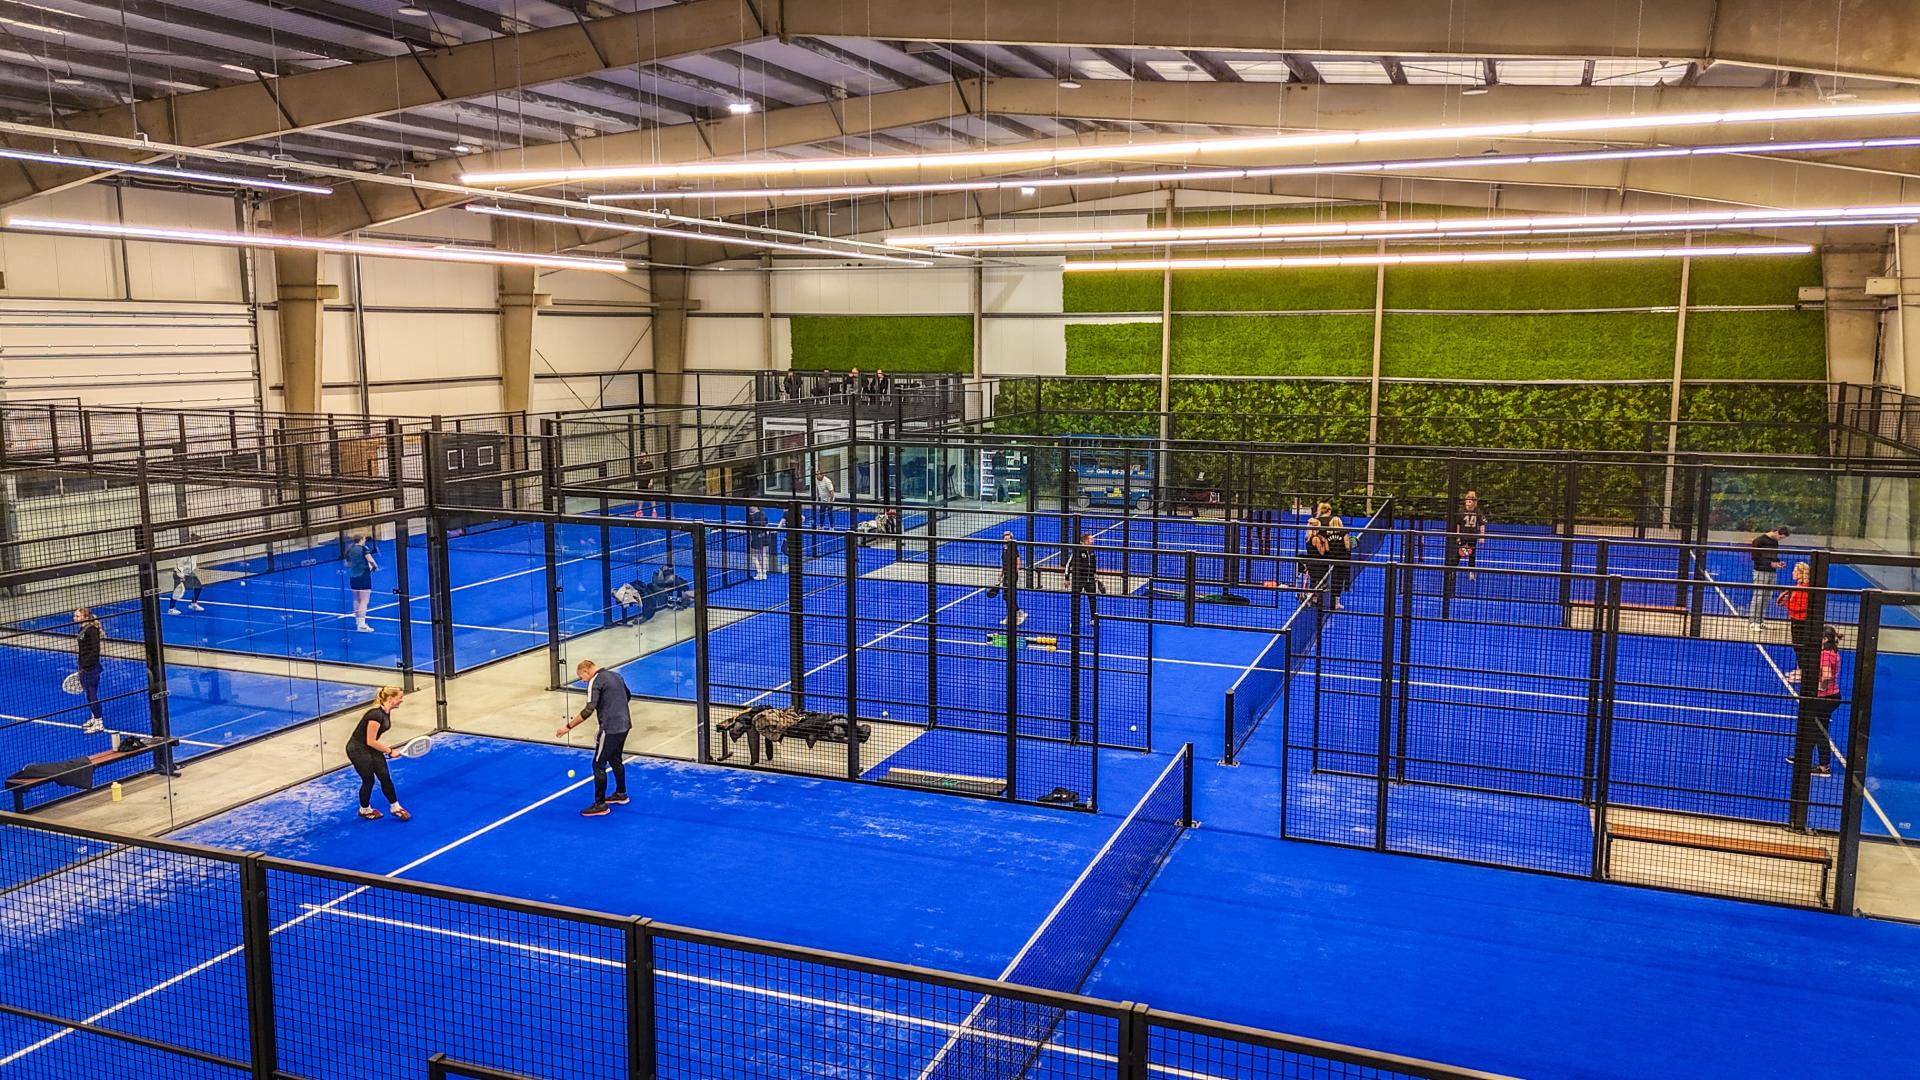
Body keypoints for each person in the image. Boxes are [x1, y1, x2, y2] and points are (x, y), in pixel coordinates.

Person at [557, 660, 632, 817]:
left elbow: (588, 709)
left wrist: (568, 727)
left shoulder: (595, 681)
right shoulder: (616, 676)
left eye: (581, 677)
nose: (583, 681)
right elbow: (628, 695)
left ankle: (600, 804)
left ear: (586, 671)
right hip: (625, 725)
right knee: (615, 759)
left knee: (598, 764)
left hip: (610, 729)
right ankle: (621, 793)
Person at [346, 686, 410, 821]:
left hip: (370, 747)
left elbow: (372, 742)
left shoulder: (386, 712)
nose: (402, 700)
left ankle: (395, 807)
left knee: (385, 776)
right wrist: (390, 751)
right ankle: (364, 810)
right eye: (400, 697)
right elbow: (370, 741)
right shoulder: (375, 715)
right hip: (357, 749)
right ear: (391, 698)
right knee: (369, 780)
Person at [1791, 625, 1844, 780]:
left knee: (1818, 731)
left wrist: (1821, 686)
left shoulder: (1825, 655)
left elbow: (1826, 675)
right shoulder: (1833, 652)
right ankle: (1804, 757)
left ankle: (1823, 766)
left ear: (1825, 639)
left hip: (1824, 698)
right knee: (1816, 728)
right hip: (1832, 697)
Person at [1774, 561, 1818, 685]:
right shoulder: (1798, 586)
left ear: (1801, 573)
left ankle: (1803, 672)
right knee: (1797, 646)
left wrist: (1786, 603)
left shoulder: (1804, 588)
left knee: (1801, 646)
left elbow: (1800, 607)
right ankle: (1800, 669)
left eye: (1795, 571)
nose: (1793, 572)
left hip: (1801, 622)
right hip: (1795, 620)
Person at [1748, 526, 1790, 631]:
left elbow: (1772, 557)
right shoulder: (1759, 541)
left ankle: (1760, 621)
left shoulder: (1775, 542)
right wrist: (1771, 563)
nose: (1780, 539)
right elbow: (1755, 558)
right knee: (1759, 597)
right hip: (1760, 572)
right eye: (1780, 537)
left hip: (1772, 572)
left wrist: (1778, 562)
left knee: (1766, 597)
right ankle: (1753, 622)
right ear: (1776, 532)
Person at [73, 608, 104, 735]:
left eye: (77, 616)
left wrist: (86, 665)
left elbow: (95, 651)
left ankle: (99, 723)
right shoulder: (83, 629)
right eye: (75, 616)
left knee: (92, 695)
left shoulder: (91, 631)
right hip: (85, 667)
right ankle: (94, 718)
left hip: (91, 669)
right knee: (89, 695)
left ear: (85, 617)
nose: (74, 618)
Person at [986, 530, 1026, 625]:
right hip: (1006, 575)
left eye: (1008, 538)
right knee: (1006, 596)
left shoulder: (1013, 548)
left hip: (1012, 575)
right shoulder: (1004, 549)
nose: (1006, 540)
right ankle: (1018, 612)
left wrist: (1015, 572)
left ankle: (1012, 617)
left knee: (1009, 596)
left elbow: (1018, 560)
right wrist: (1000, 575)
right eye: (1005, 538)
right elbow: (1004, 564)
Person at [344, 532, 378, 633]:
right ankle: (362, 625)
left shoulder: (349, 549)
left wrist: (357, 565)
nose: (365, 541)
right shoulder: (364, 549)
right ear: (361, 539)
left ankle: (358, 621)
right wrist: (374, 566)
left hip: (353, 577)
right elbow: (370, 559)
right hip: (363, 576)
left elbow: (347, 564)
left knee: (356, 599)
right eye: (364, 539)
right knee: (364, 600)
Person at [1453, 490, 1488, 582]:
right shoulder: (1461, 511)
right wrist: (1458, 536)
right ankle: (1453, 570)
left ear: (1474, 502)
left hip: (1472, 537)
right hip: (1463, 537)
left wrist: (1482, 536)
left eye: (1470, 500)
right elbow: (1458, 524)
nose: (1468, 501)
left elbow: (1482, 524)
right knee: (1458, 554)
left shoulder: (1478, 512)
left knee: (1472, 555)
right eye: (1467, 500)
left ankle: (1471, 573)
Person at [1065, 532, 1103, 614]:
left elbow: (1093, 563)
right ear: (1085, 540)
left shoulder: (1092, 551)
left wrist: (1095, 574)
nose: (1092, 541)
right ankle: (1074, 617)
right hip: (1079, 580)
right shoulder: (1077, 551)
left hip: (1090, 580)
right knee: (1075, 599)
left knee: (1093, 600)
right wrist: (1067, 578)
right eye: (1091, 539)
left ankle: (1093, 618)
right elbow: (1068, 565)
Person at [1322, 510, 1352, 611]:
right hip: (1343, 560)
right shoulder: (1344, 532)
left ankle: (1332, 602)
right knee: (1339, 582)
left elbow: (1327, 548)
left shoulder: (1327, 533)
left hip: (1332, 560)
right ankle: (1336, 603)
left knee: (1333, 581)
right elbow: (1347, 546)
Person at [746, 505, 775, 580]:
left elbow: (749, 529)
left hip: (756, 538)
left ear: (756, 507)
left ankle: (759, 573)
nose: (750, 507)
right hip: (764, 537)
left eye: (751, 506)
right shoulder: (764, 515)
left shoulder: (750, 517)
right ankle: (764, 574)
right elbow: (766, 527)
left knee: (753, 555)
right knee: (764, 555)